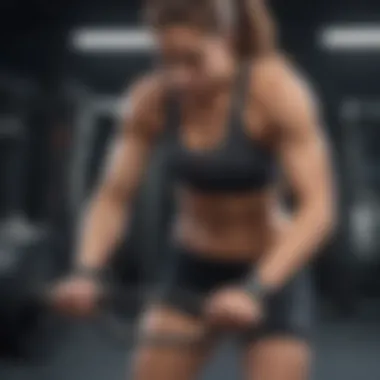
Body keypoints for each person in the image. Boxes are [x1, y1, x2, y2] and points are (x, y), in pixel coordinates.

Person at [52, 0, 336, 379]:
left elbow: (318, 207)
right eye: (166, 60)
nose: (179, 76)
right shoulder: (151, 99)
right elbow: (113, 196)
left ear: (229, 39)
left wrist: (253, 289)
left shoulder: (275, 91)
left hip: (270, 271)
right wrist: (87, 270)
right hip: (192, 268)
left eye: (194, 60)